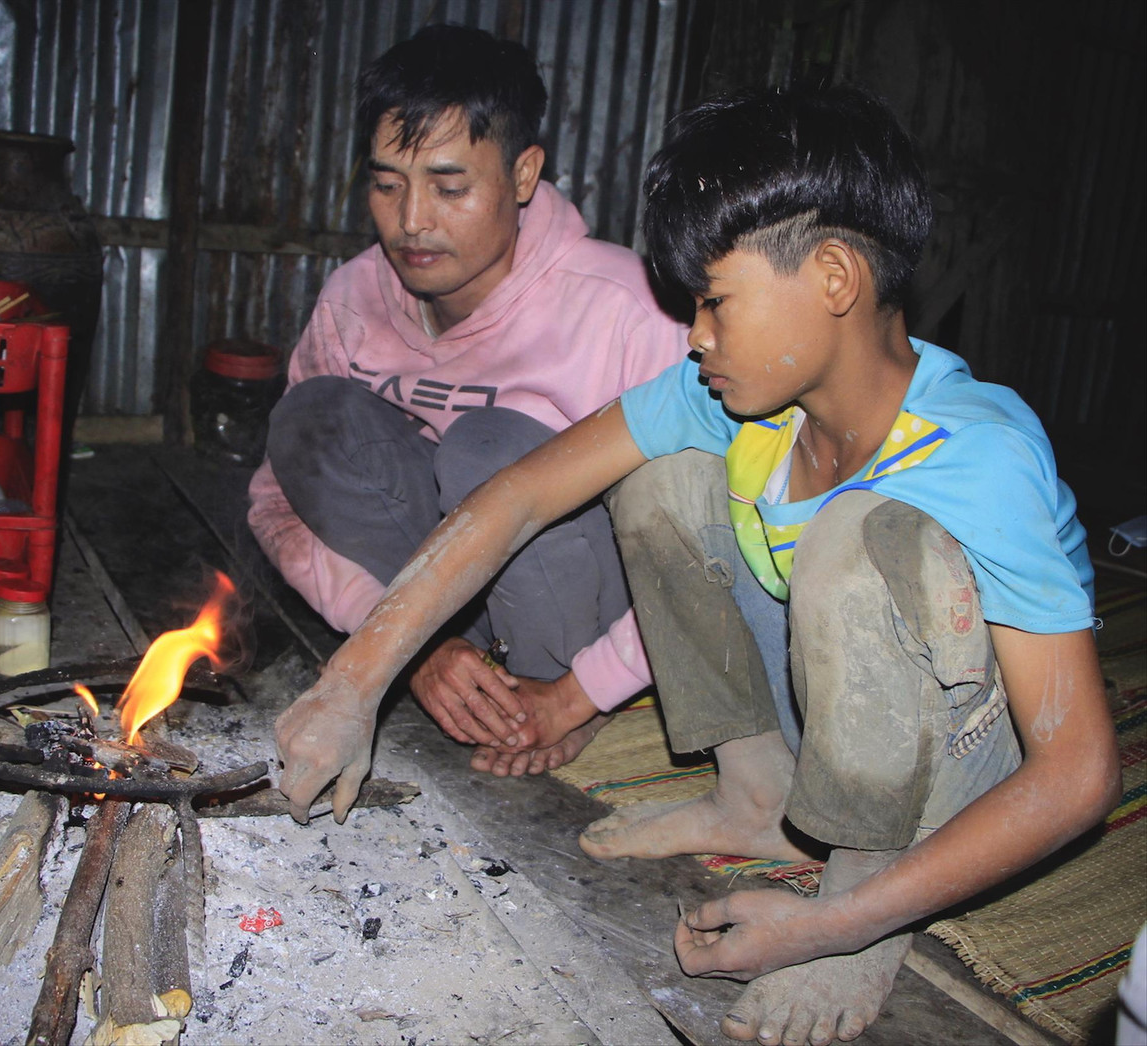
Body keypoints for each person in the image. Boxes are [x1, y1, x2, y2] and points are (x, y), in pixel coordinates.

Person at [275, 83, 1122, 1045]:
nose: (697, 336)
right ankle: (757, 794)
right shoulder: (732, 397)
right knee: (665, 477)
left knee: (853, 536)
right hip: (835, 709)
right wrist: (355, 681)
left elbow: (1079, 773)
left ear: (836, 279)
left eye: (716, 302)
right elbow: (515, 497)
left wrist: (840, 921)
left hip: (961, 760)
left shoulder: (981, 455)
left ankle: (863, 883)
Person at [248, 24, 687, 776]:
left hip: (581, 626)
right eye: (387, 184)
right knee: (314, 421)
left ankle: (553, 702)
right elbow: (275, 504)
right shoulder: (355, 297)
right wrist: (402, 646)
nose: (412, 219)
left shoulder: (626, 310)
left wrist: (586, 691)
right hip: (431, 613)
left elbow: (706, 552)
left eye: (450, 187)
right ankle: (458, 671)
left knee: (490, 448)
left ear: (523, 175)